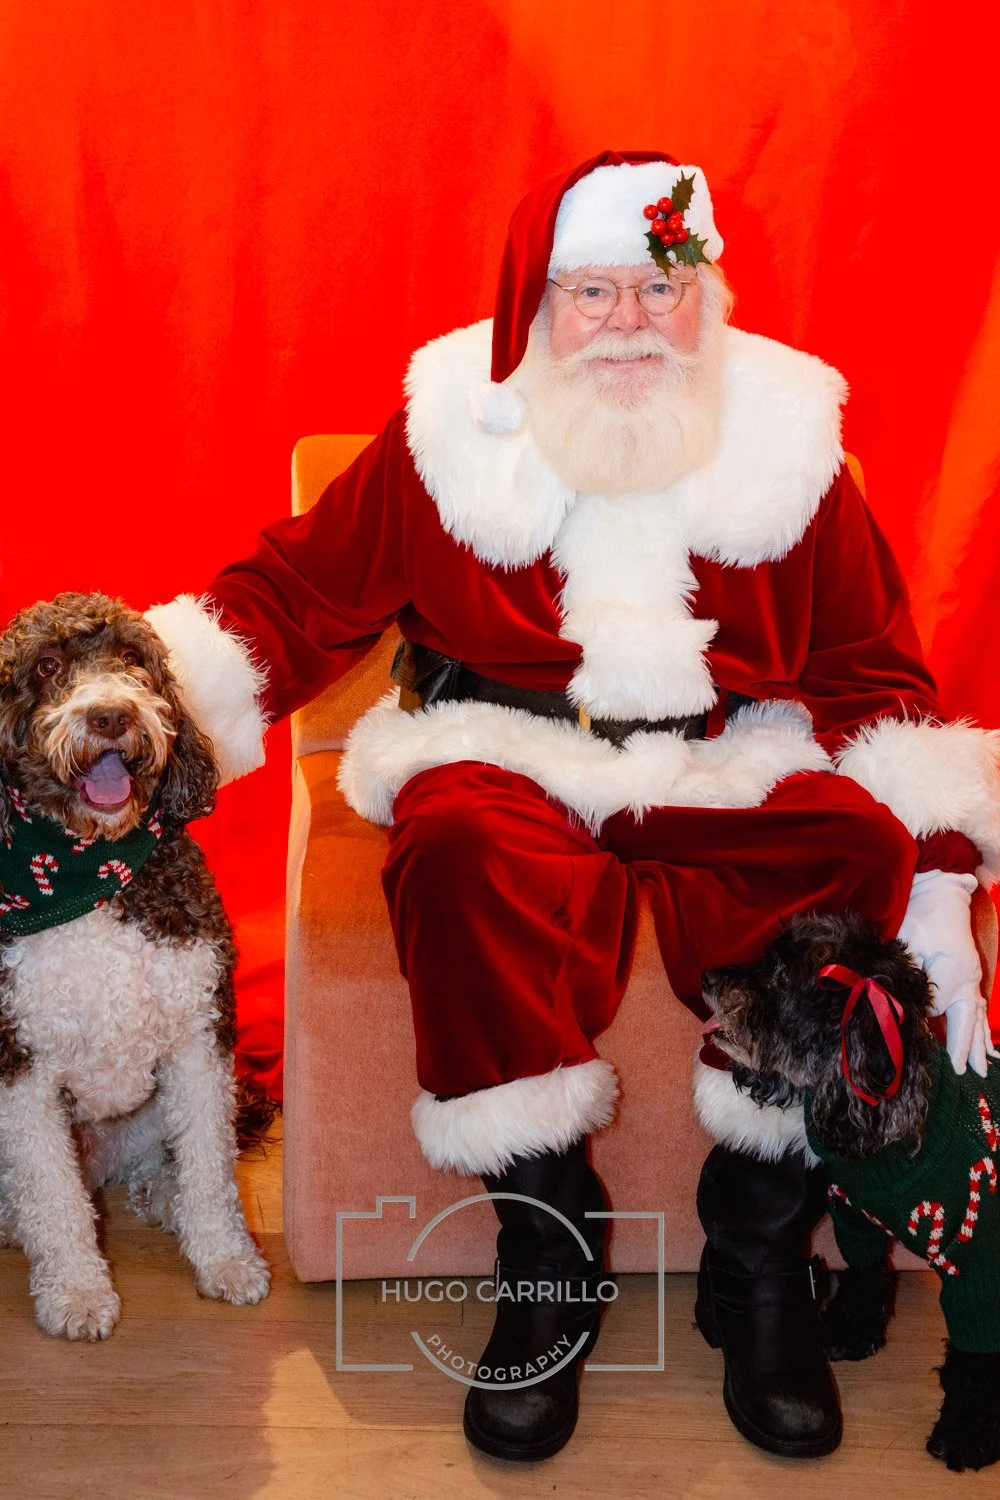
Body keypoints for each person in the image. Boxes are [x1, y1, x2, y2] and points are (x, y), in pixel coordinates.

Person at [146, 150, 1000, 1463]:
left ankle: (758, 1271)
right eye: (592, 292)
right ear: (537, 306)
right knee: (451, 847)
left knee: (850, 843)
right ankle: (547, 1268)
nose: (628, 322)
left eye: (659, 290)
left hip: (727, 756)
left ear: (706, 296)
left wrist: (937, 867)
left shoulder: (786, 444)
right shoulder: (448, 434)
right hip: (512, 747)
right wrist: (151, 699)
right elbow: (293, 596)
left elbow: (871, 670)